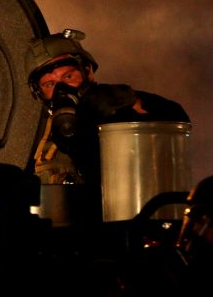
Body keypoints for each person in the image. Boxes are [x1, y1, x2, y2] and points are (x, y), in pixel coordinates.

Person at [24, 29, 190, 186]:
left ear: (88, 73)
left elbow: (175, 123)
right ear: (39, 93)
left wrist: (128, 101)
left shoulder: (115, 107)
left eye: (68, 76)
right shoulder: (36, 139)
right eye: (49, 84)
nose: (61, 90)